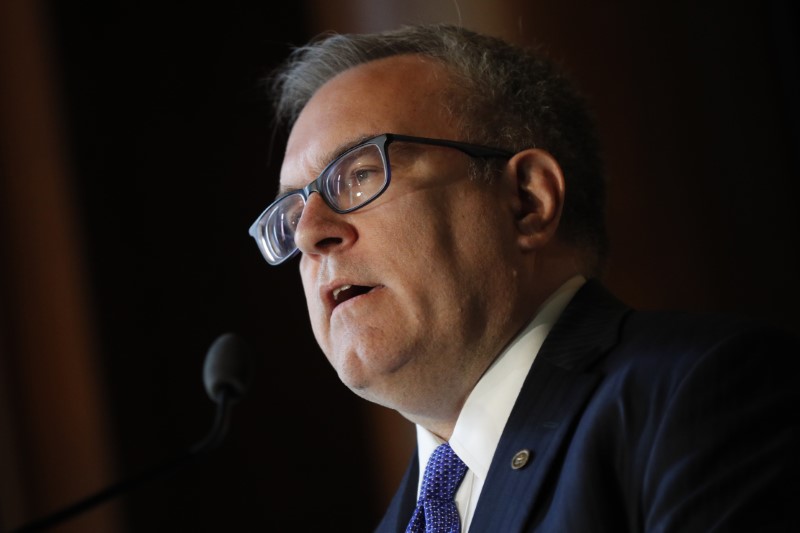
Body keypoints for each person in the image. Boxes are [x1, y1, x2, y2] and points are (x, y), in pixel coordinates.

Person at [247, 22, 800, 532]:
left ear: (527, 201)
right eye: (292, 213)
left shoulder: (701, 397)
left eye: (360, 174)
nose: (309, 234)